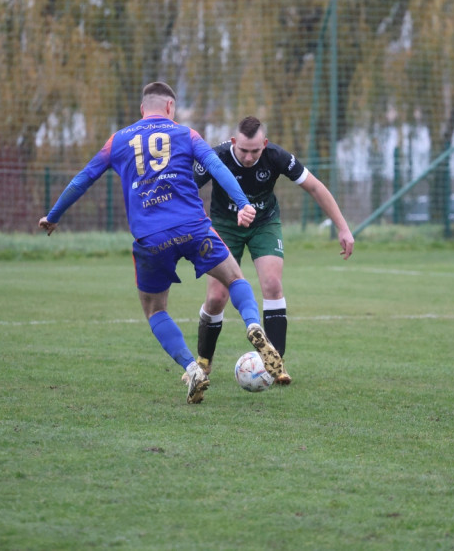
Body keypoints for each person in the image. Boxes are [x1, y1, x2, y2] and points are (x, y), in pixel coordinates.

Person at [38, 83, 290, 404]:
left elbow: (82, 179)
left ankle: (192, 368)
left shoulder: (119, 140)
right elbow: (216, 166)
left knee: (155, 310)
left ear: (143, 109)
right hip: (194, 229)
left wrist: (53, 215)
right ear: (170, 107)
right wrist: (242, 203)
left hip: (151, 239)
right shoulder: (187, 134)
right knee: (235, 278)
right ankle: (254, 325)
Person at [191, 115, 355, 380]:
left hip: (263, 223)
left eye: (255, 151)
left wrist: (343, 227)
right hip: (224, 226)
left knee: (272, 284)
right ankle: (203, 362)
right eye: (243, 150)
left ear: (265, 144)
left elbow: (314, 187)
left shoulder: (276, 156)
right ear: (233, 142)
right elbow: (185, 190)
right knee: (217, 297)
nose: (249, 157)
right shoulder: (215, 157)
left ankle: (276, 363)